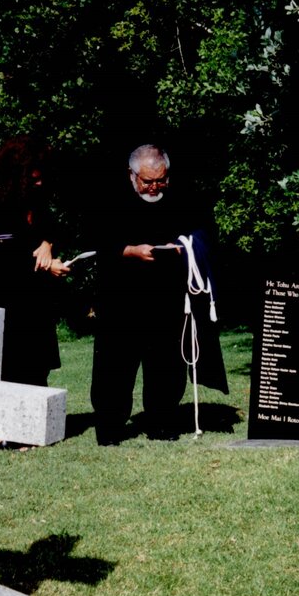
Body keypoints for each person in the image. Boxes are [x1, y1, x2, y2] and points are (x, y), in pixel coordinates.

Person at [90, 144, 227, 445]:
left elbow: (203, 233)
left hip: (167, 296)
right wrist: (129, 251)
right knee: (115, 366)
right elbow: (98, 241)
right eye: (147, 181)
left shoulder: (183, 199)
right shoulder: (110, 199)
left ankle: (162, 423)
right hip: (121, 298)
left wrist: (186, 248)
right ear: (132, 175)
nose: (154, 187)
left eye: (161, 180)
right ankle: (110, 427)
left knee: (166, 365)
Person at [0, 136, 68, 388]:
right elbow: (1, 255)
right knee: (13, 373)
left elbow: (49, 229)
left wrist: (47, 243)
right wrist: (46, 264)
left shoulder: (35, 200)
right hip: (7, 303)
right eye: (34, 178)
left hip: (34, 304)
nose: (40, 182)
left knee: (37, 372)